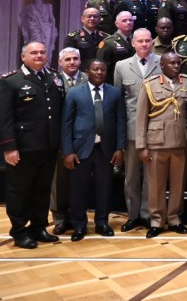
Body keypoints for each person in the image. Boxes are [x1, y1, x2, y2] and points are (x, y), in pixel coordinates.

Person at [0, 42, 63, 249]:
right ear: (23, 57)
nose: (39, 55)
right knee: (19, 191)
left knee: (42, 190)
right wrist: (9, 147)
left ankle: (38, 227)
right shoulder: (12, 81)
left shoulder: (53, 77)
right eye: (34, 53)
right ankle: (19, 231)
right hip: (23, 147)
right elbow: (4, 118)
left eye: (42, 52)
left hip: (48, 145)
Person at [61, 60, 126, 241]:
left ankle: (102, 222)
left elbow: (121, 121)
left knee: (104, 188)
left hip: (106, 149)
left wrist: (120, 148)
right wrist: (67, 151)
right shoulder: (75, 93)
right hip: (80, 149)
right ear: (87, 71)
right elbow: (66, 123)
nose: (99, 72)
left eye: (102, 69)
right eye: (95, 69)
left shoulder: (115, 92)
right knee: (78, 189)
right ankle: (79, 225)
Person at [136, 52, 187, 238]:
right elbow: (141, 117)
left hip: (180, 142)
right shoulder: (150, 84)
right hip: (156, 142)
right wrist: (141, 146)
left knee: (178, 184)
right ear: (162, 65)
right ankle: (156, 220)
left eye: (178, 63)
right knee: (156, 185)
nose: (176, 66)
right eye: (171, 63)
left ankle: (174, 218)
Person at [112, 28, 160, 232]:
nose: (144, 44)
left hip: (155, 128)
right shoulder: (121, 66)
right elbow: (118, 102)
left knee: (151, 176)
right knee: (131, 175)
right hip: (131, 129)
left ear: (152, 42)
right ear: (133, 43)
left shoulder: (162, 62)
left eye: (148, 40)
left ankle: (147, 214)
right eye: (140, 41)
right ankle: (132, 215)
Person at [52, 46, 85, 233]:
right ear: (60, 62)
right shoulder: (52, 81)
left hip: (83, 139)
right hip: (59, 138)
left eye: (75, 59)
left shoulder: (88, 79)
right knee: (59, 182)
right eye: (68, 59)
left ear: (80, 61)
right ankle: (59, 219)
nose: (72, 62)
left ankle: (77, 217)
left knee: (79, 181)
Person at [96, 11, 136, 80]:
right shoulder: (108, 43)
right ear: (117, 24)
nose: (128, 22)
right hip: (114, 81)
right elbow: (102, 68)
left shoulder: (137, 40)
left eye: (130, 20)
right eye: (124, 20)